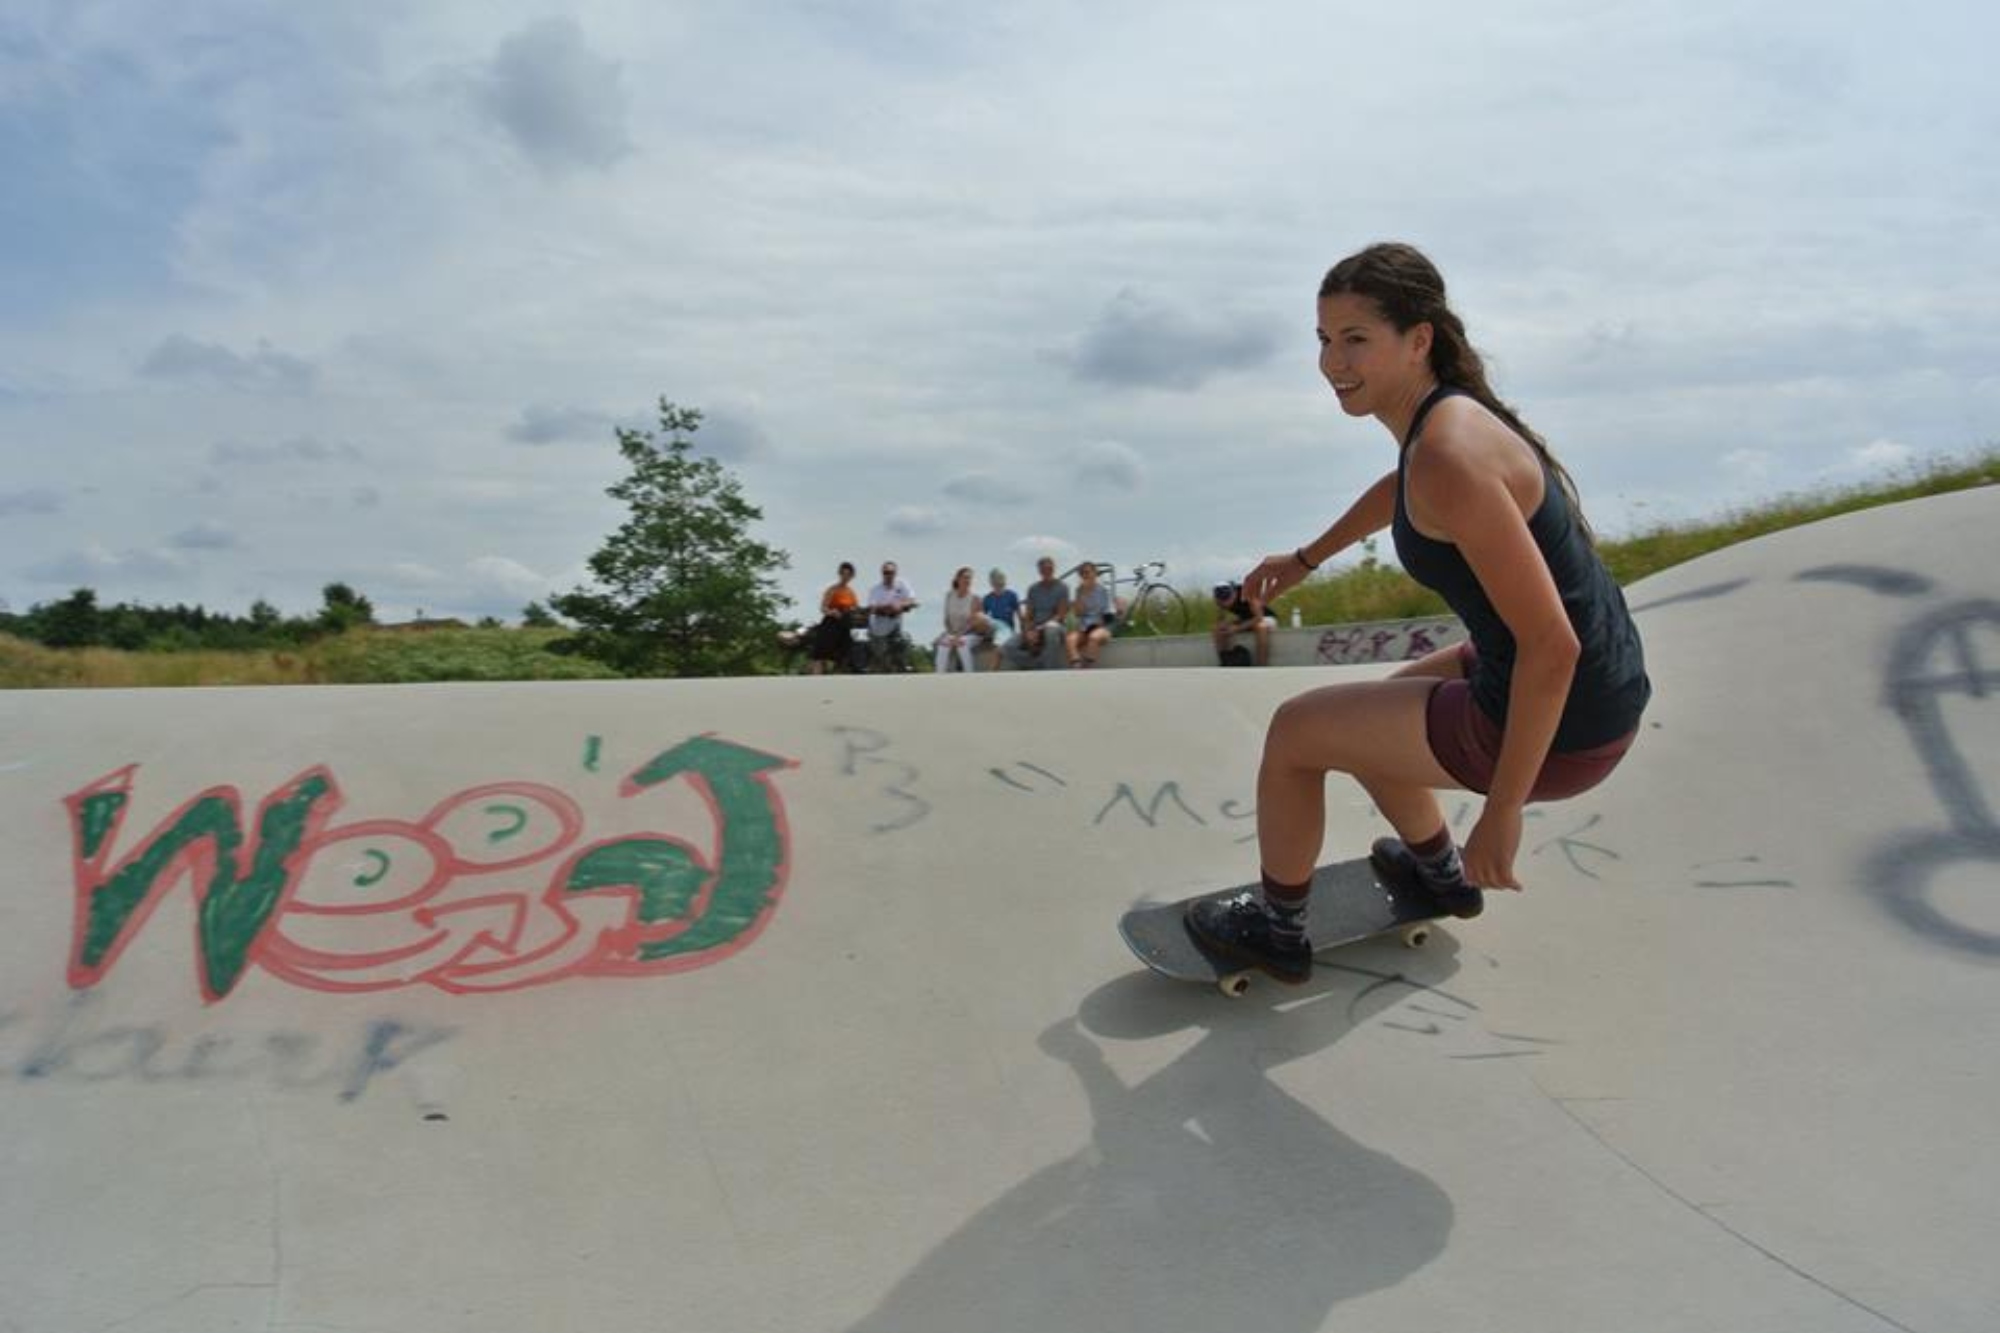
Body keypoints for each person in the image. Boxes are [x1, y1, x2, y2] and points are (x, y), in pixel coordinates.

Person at [1188, 241, 1650, 984]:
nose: (1333, 361)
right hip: (1601, 689)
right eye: (1324, 340)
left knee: (1296, 732)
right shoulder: (1446, 424)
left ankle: (1277, 928)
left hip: (1565, 714)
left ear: (1419, 339)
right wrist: (1305, 558)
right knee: (1383, 707)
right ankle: (1437, 871)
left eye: (1356, 340)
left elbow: (1550, 647)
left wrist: (1503, 811)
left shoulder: (1448, 454)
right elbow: (1399, 488)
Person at [1004, 556, 1070, 670]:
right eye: (1044, 569)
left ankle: (1050, 671)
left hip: (1056, 627)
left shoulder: (1063, 587)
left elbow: (1061, 615)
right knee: (1008, 646)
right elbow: (1029, 615)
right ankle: (1038, 665)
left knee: (1051, 629)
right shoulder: (1033, 589)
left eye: (1049, 568)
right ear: (1039, 571)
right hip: (1035, 627)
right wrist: (1028, 631)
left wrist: (1040, 629)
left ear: (1054, 569)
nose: (1047, 571)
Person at [865, 561, 919, 672]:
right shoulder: (875, 589)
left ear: (895, 573)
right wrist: (888, 607)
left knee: (903, 642)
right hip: (878, 628)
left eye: (891, 572)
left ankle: (902, 666)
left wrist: (900, 604)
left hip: (895, 625)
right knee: (882, 659)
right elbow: (872, 608)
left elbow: (912, 601)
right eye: (886, 572)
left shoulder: (902, 584)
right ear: (882, 573)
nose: (888, 575)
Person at [934, 566, 991, 673]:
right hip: (953, 632)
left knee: (962, 643)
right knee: (943, 644)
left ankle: (969, 675)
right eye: (965, 577)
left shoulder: (975, 598)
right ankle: (939, 676)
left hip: (971, 634)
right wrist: (950, 635)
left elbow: (972, 623)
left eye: (970, 578)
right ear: (957, 579)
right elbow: (946, 619)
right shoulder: (949, 596)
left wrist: (958, 636)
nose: (967, 580)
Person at [809, 562, 862, 675]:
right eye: (843, 573)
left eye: (848, 574)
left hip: (845, 625)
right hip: (831, 623)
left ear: (852, 576)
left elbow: (856, 609)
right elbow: (823, 608)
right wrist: (832, 612)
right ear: (839, 574)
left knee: (843, 654)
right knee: (820, 652)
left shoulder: (851, 592)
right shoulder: (832, 589)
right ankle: (815, 679)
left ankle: (835, 680)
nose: (845, 576)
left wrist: (857, 614)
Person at [1211, 580, 1275, 666]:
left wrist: (1237, 628)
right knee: (1218, 629)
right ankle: (1225, 661)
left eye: (1227, 599)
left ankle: (1262, 666)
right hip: (1246, 619)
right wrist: (1223, 627)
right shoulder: (1219, 600)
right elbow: (1220, 620)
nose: (1225, 604)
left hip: (1265, 617)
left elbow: (1259, 617)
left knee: (1260, 627)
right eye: (1222, 601)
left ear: (1234, 592)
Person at [1065, 562, 1115, 667]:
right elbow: (1078, 613)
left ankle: (1088, 667)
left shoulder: (1104, 590)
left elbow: (1109, 616)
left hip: (1102, 627)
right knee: (1070, 639)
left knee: (1093, 637)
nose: (1085, 575)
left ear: (1095, 573)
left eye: (1087, 572)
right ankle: (1077, 665)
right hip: (1084, 628)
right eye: (1082, 573)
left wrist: (1096, 626)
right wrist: (1080, 594)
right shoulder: (1079, 591)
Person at [981, 568, 1021, 668]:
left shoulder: (1011, 595)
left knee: (998, 647)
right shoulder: (988, 598)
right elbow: (982, 616)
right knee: (977, 616)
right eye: (995, 579)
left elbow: (1020, 615)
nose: (998, 581)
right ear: (991, 582)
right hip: (993, 625)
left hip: (1006, 627)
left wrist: (1023, 632)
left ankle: (992, 673)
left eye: (1000, 578)